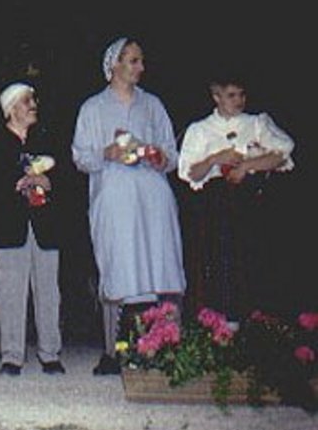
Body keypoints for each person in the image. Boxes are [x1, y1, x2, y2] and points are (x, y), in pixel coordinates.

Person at [71, 37, 185, 375]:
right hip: (115, 199)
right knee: (120, 267)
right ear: (114, 65)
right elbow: (79, 156)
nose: (140, 67)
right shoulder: (92, 108)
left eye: (141, 61)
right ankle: (115, 351)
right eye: (133, 61)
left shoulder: (153, 105)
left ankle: (163, 348)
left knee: (157, 265)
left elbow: (172, 154)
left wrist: (157, 155)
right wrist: (107, 153)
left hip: (153, 199)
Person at [177, 74, 294, 321]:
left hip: (252, 202)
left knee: (256, 265)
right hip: (218, 208)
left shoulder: (256, 123)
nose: (239, 100)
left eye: (242, 94)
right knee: (223, 267)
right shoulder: (201, 129)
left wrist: (247, 165)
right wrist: (214, 159)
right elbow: (188, 173)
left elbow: (283, 152)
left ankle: (260, 329)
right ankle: (225, 327)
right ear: (216, 96)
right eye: (231, 95)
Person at [0, 83, 66, 376]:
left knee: (49, 291)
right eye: (26, 101)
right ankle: (12, 356)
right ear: (10, 109)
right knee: (9, 292)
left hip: (45, 226)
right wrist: (13, 185)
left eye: (33, 99)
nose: (33, 104)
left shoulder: (47, 139)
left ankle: (50, 354)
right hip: (9, 228)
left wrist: (48, 183)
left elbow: (65, 176)